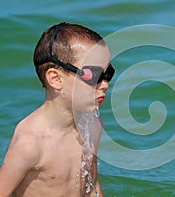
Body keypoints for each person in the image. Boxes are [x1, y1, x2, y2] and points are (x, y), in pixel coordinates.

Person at [0, 22, 114, 197]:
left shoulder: (92, 125)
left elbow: (92, 187)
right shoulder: (30, 143)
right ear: (55, 79)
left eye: (108, 74)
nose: (104, 84)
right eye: (95, 75)